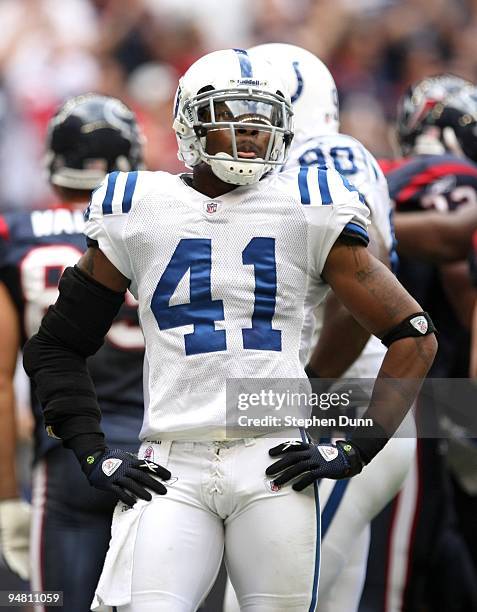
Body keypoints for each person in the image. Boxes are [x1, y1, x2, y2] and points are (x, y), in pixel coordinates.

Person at [23, 49, 436, 612]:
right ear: (190, 123)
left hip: (273, 460)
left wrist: (354, 448)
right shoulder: (139, 205)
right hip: (170, 462)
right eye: (232, 117)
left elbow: (412, 332)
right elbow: (56, 345)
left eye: (262, 119)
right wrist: (94, 453)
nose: (250, 133)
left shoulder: (309, 202)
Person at [221, 43, 416, 612]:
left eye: (253, 103)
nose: (242, 120)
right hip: (331, 404)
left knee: (266, 600)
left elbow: (367, 274)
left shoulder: (325, 154)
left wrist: (305, 387)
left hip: (343, 406)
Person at [0, 93, 145, 612]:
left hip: (66, 459)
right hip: (163, 457)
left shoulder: (13, 236)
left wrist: (5, 500)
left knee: (55, 603)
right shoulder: (160, 220)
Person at [360, 75, 477, 612]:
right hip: (432, 397)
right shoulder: (459, 179)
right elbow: (462, 274)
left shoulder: (376, 178)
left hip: (388, 391)